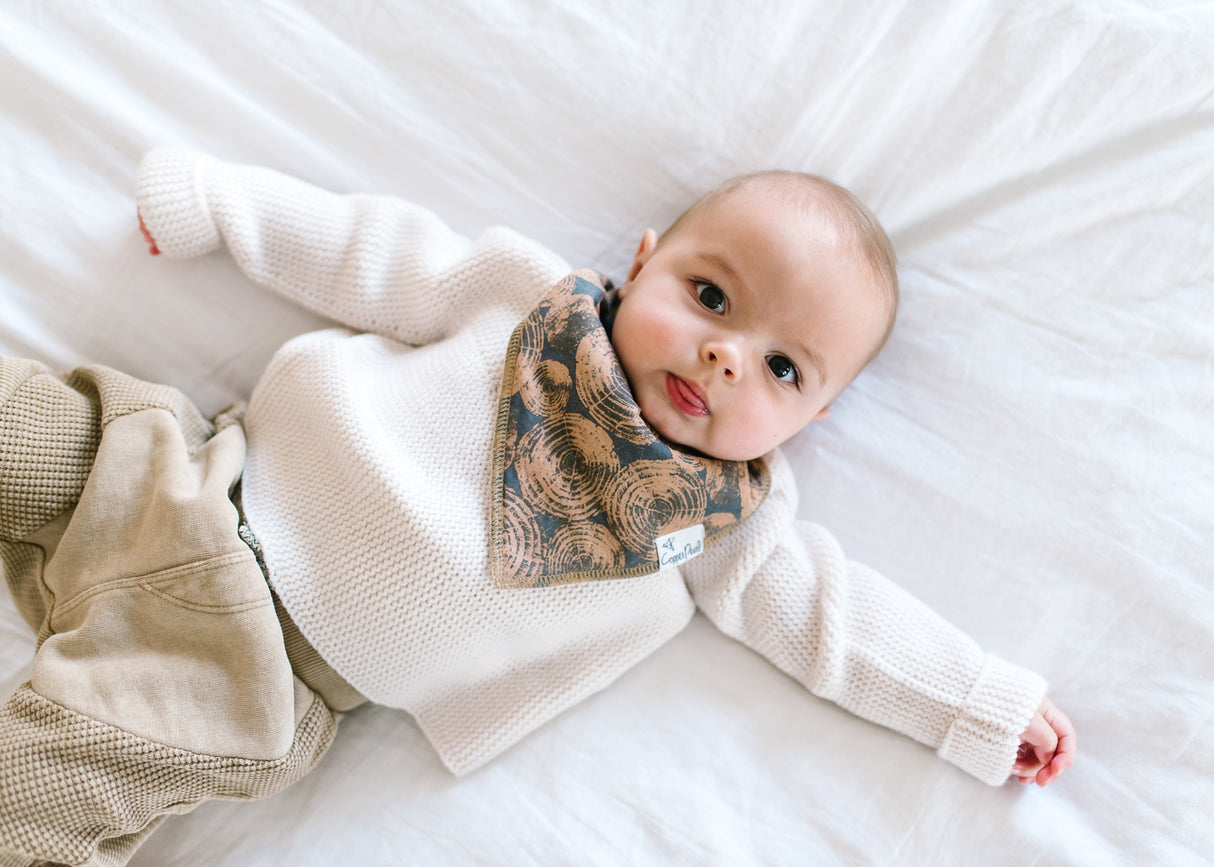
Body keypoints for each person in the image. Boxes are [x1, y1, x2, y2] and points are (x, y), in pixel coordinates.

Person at [0, 150, 1075, 865]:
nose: (722, 354)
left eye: (783, 368)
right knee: (22, 421)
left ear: (816, 416)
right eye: (709, 297)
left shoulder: (721, 527)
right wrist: (222, 207)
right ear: (641, 262)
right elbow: (368, 256)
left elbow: (829, 625)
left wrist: (970, 705)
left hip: (244, 668)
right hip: (182, 476)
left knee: (46, 785)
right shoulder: (528, 299)